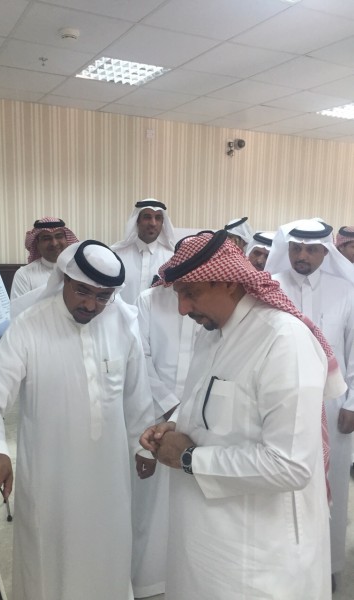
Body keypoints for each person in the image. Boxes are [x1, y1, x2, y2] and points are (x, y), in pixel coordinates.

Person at [140, 230, 346, 600]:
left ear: (230, 283)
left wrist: (189, 458)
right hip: (205, 543)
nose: (182, 309)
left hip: (255, 557)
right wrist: (174, 426)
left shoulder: (283, 341)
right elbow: (210, 405)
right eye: (178, 294)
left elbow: (289, 465)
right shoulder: (213, 332)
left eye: (191, 293)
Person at [0, 240, 156, 600]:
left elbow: (137, 395)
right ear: (65, 279)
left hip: (110, 478)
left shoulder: (123, 322)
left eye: (103, 296)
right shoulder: (29, 326)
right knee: (49, 567)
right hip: (51, 481)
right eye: (82, 291)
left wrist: (142, 445)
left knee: (108, 558)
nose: (91, 305)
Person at [265, 218, 354, 589]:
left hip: (333, 403)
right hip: (281, 401)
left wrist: (352, 403)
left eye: (312, 249)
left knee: (332, 482)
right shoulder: (270, 286)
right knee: (283, 482)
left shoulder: (346, 289)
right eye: (296, 248)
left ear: (325, 251)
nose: (302, 255)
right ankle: (285, 565)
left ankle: (328, 564)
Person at [131, 260, 200, 598]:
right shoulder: (148, 300)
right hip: (154, 411)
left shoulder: (212, 304)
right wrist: (171, 404)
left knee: (192, 504)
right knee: (151, 505)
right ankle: (149, 580)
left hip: (200, 417)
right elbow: (140, 358)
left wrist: (186, 410)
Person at [111, 199, 175, 304]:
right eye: (147, 217)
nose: (153, 223)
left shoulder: (172, 258)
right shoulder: (117, 255)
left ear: (162, 223)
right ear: (137, 220)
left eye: (158, 218)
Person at [10, 216, 79, 299]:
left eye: (59, 236)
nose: (54, 243)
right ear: (37, 244)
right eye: (46, 238)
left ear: (67, 240)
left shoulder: (79, 269)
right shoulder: (24, 275)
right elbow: (19, 307)